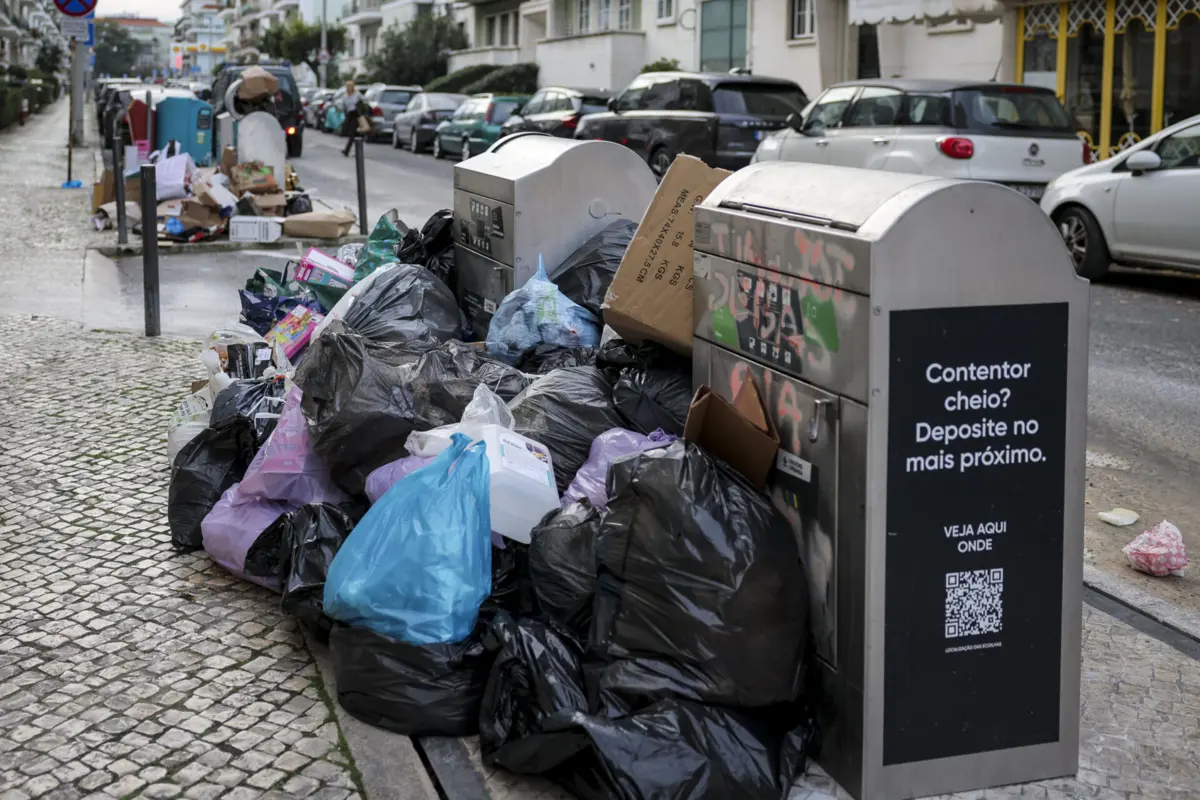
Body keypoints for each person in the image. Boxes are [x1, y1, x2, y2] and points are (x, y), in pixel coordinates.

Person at [340, 80, 366, 157]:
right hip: (349, 115)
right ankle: (356, 151)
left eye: (351, 86)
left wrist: (360, 107)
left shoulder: (357, 94)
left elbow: (364, 100)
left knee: (352, 133)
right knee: (354, 134)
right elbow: (344, 106)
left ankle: (347, 151)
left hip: (356, 115)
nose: (349, 87)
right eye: (348, 86)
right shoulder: (345, 96)